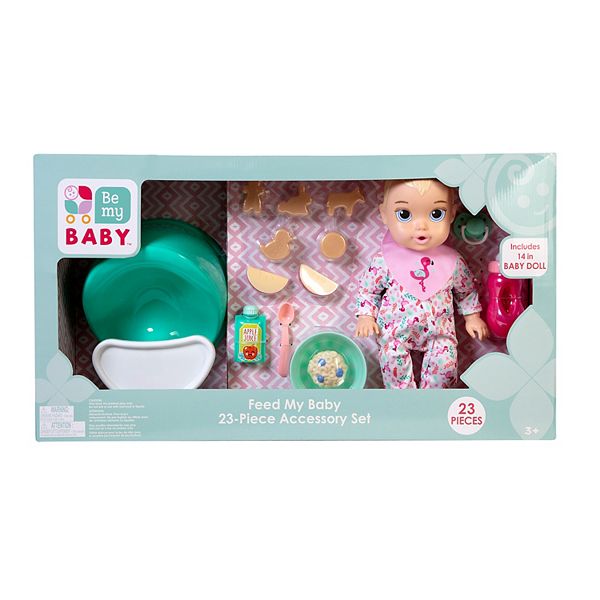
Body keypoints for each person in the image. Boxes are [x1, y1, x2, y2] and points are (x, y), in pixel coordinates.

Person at [355, 179, 489, 389]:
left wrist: (472, 317)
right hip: (394, 332)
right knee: (392, 358)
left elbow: (466, 291)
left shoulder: (453, 261)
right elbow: (369, 290)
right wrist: (366, 316)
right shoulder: (384, 260)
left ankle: (432, 401)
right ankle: (402, 400)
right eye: (404, 214)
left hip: (439, 333)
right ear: (384, 215)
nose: (421, 226)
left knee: (445, 367)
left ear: (452, 214)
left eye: (436, 214)